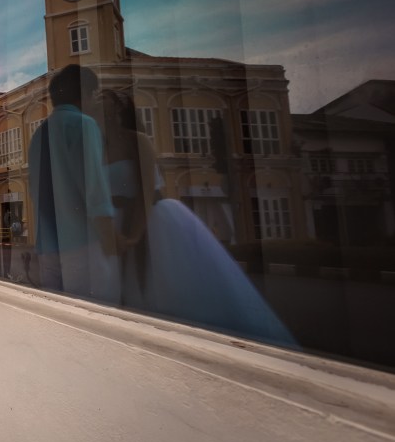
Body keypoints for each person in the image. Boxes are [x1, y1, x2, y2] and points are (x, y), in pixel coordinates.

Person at [95, 89, 295, 345]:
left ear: (118, 110)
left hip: (151, 221)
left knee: (170, 290)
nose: (97, 102)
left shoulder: (138, 141)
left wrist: (133, 235)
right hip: (115, 223)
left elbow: (146, 192)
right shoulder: (97, 147)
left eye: (104, 99)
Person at [28, 64, 119, 302]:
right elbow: (95, 192)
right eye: (95, 95)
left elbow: (34, 191)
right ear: (85, 94)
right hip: (81, 245)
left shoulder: (38, 134)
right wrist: (112, 246)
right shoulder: (84, 125)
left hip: (48, 247)